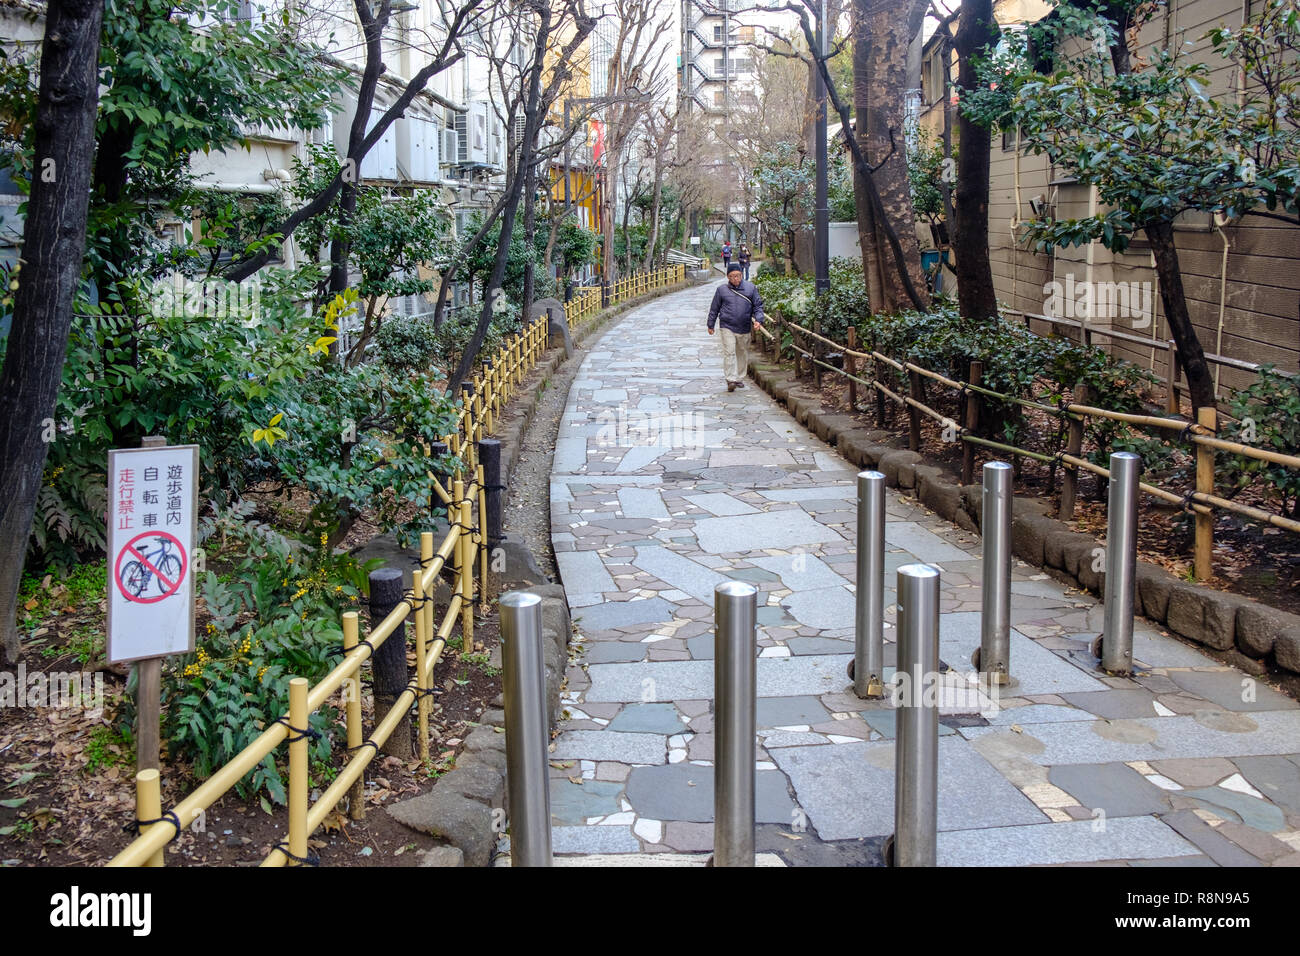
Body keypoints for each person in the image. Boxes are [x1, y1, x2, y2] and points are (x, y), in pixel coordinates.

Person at [707, 263, 764, 392]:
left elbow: (758, 306)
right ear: (728, 277)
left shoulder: (751, 288)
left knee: (742, 352)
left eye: (737, 276)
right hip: (727, 325)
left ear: (741, 275)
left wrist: (758, 320)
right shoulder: (721, 290)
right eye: (732, 276)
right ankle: (730, 379)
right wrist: (710, 324)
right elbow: (714, 308)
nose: (735, 279)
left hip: (744, 326)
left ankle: (739, 377)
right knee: (729, 352)